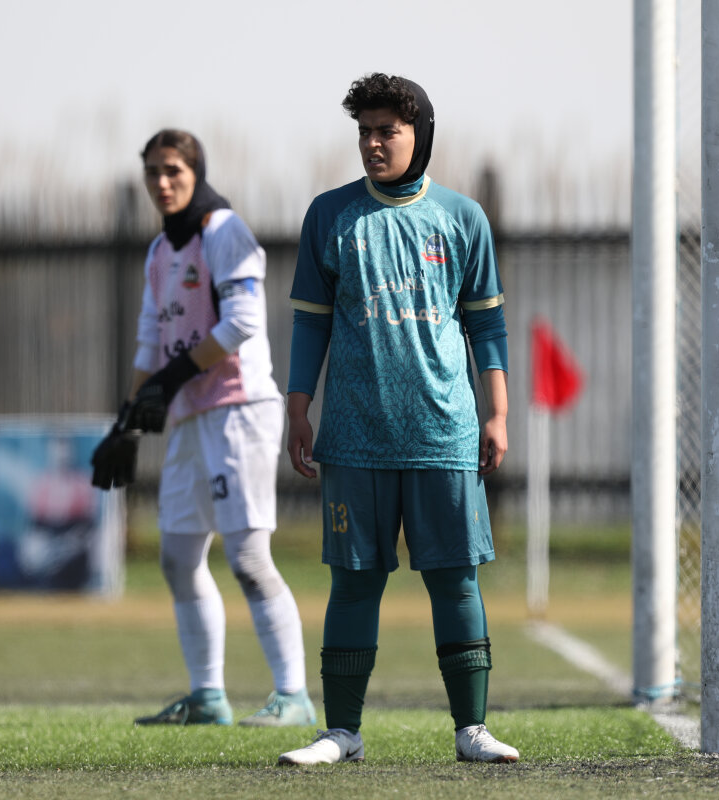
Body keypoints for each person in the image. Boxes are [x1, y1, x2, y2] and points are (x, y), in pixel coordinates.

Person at [276, 74, 519, 766]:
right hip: (354, 436)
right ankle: (341, 733)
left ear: (422, 135)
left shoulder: (463, 218)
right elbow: (311, 324)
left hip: (445, 432)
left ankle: (471, 730)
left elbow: (487, 326)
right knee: (354, 582)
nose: (374, 144)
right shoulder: (329, 216)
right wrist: (299, 406)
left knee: (456, 579)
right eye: (365, 132)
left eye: (388, 131)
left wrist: (498, 412)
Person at [91, 129, 315, 728]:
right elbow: (150, 341)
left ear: (196, 172)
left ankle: (293, 696)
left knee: (247, 556)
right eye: (153, 172)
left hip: (239, 409)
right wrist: (128, 422)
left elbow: (242, 323)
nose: (162, 182)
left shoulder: (223, 230)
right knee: (177, 556)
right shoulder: (159, 252)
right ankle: (208, 696)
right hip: (190, 415)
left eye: (173, 171)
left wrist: (169, 379)